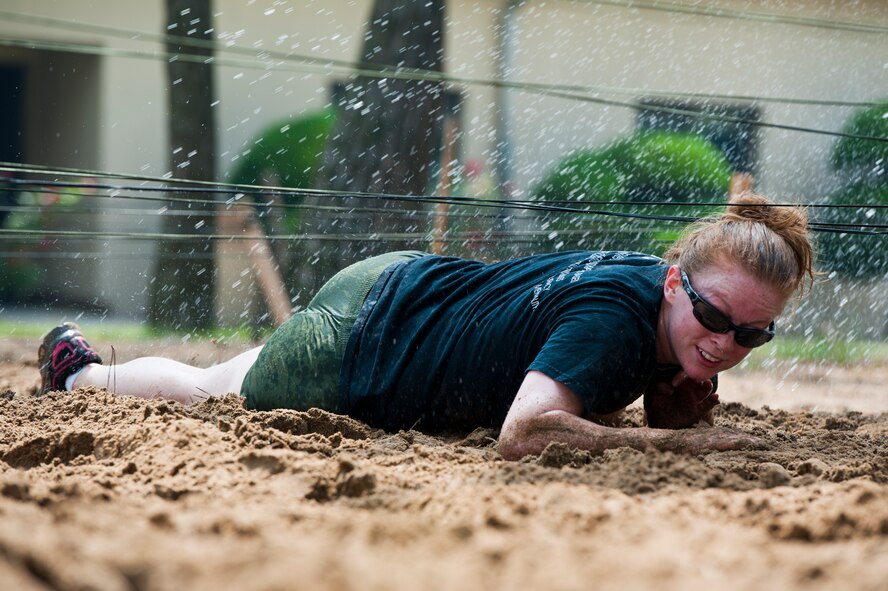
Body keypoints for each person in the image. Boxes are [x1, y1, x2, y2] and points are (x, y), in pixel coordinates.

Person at [37, 193, 814, 460]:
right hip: (370, 340)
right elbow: (526, 431)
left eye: (752, 335)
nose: (723, 342)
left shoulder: (652, 285)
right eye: (713, 317)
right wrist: (672, 441)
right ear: (677, 282)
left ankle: (87, 368)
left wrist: (667, 393)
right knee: (216, 389)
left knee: (241, 366)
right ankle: (78, 370)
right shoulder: (615, 325)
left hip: (406, 284)